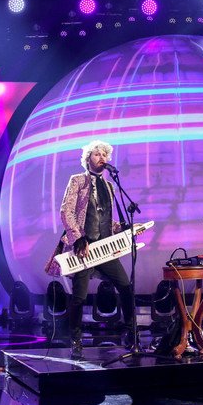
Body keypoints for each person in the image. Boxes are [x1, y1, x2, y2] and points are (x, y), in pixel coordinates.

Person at [56, 140, 135, 357]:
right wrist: (78, 238)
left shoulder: (109, 186)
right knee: (79, 297)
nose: (102, 158)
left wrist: (123, 227)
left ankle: (131, 333)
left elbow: (105, 219)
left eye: (104, 155)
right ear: (88, 158)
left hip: (105, 248)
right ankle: (76, 339)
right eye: (97, 154)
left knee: (125, 286)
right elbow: (66, 211)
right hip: (85, 249)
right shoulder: (78, 181)